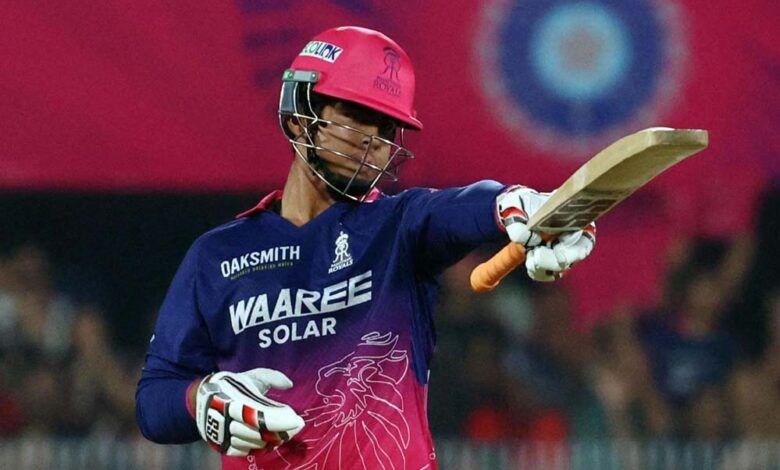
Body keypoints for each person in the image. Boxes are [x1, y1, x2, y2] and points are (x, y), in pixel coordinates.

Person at [135, 26, 596, 469]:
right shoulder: (216, 257)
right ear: (299, 117)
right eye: (357, 115)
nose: (373, 141)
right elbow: (154, 400)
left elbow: (458, 208)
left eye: (387, 127)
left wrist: (513, 204)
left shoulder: (397, 228)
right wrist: (202, 399)